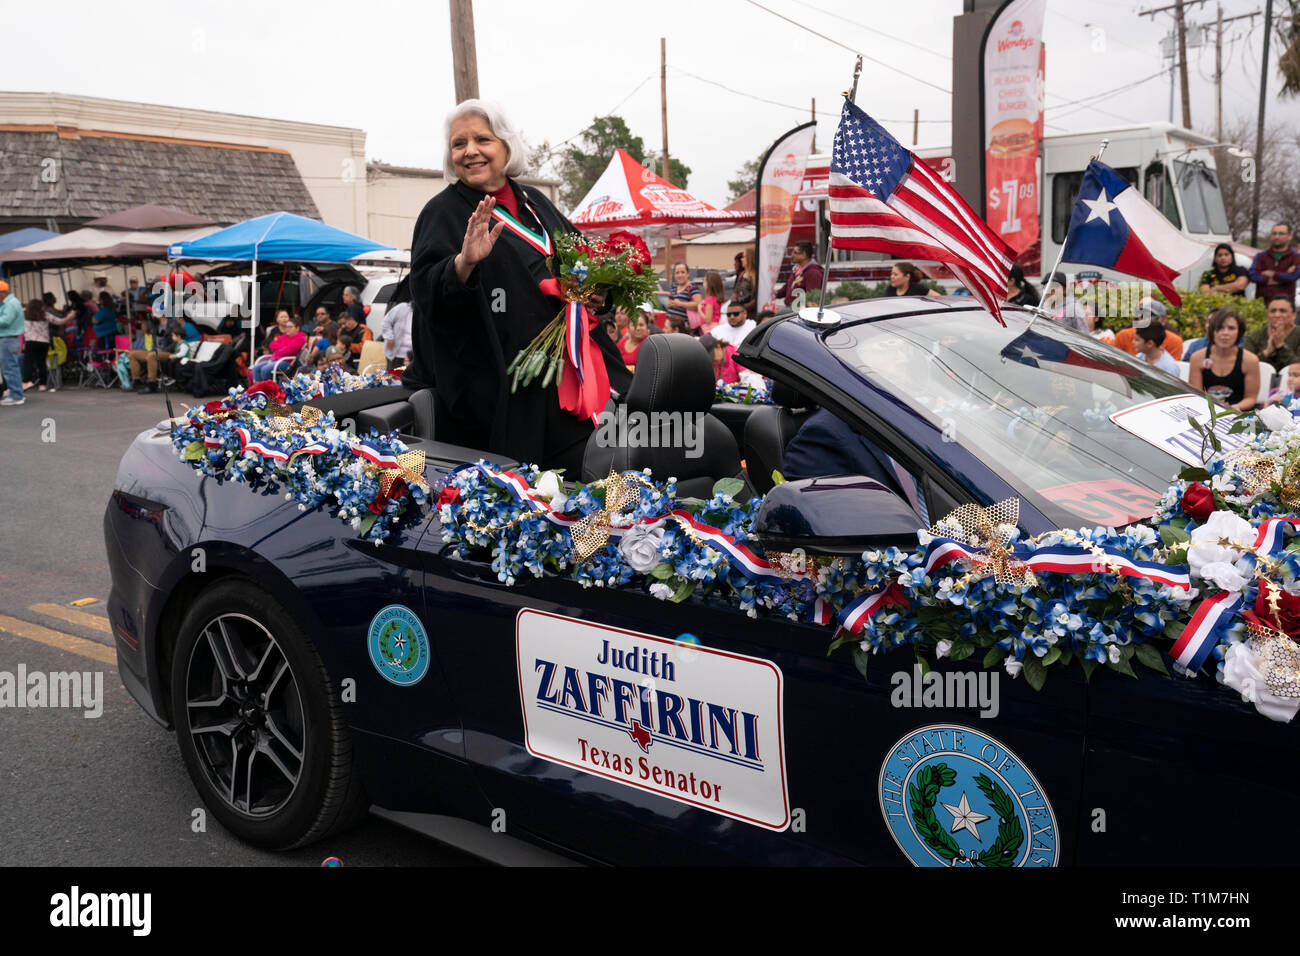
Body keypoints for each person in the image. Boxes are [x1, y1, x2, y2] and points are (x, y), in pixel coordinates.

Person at [401, 99, 632, 469]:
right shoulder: (443, 212)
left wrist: (597, 291)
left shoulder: (536, 202)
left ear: (507, 146)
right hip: (502, 388)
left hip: (568, 371)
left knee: (629, 441)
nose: (470, 151)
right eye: (459, 144)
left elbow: (586, 264)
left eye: (482, 139)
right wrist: (462, 264)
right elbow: (427, 295)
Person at [1189, 309, 1259, 412]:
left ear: (1239, 332)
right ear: (1212, 331)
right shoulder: (1197, 358)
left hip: (1238, 414)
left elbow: (1251, 398)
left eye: (1231, 328)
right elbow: (1197, 396)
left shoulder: (1250, 360)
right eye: (1220, 328)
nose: (1225, 333)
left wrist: (1234, 408)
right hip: (1206, 411)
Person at [1113, 299, 1182, 361]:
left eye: (1151, 316)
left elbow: (1169, 372)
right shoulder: (1124, 335)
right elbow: (1113, 360)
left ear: (1163, 320)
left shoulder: (1174, 341)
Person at [1248, 223, 1300, 303]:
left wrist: (1273, 274)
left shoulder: (1296, 257)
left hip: (1286, 306)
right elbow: (1252, 276)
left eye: (1281, 234)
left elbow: (1293, 276)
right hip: (1262, 305)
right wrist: (1282, 277)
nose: (1276, 237)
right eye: (1274, 233)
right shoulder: (1260, 256)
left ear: (1290, 236)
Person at [1244, 296, 1300, 370]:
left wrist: (1281, 346)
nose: (1277, 315)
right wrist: (1267, 352)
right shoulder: (1255, 336)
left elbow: (1297, 367)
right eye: (1273, 311)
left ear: (1294, 315)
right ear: (1267, 314)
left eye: (1282, 311)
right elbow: (1245, 366)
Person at [250, 315, 306, 382]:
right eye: (286, 327)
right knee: (256, 368)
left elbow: (287, 351)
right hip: (276, 359)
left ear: (297, 328)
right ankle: (259, 389)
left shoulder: (300, 338)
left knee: (265, 370)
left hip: (287, 362)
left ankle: (269, 389)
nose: (287, 329)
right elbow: (272, 345)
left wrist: (280, 348)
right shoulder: (285, 336)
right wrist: (284, 347)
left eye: (290, 327)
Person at [0, 281, 25, 406]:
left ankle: (16, 395)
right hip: (10, 339)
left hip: (7, 338)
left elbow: (5, 321)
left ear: (2, 293)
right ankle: (16, 393)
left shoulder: (9, 304)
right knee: (11, 367)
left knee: (10, 368)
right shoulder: (11, 302)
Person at [22, 299, 51, 392]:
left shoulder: (25, 315)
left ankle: (27, 381)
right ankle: (43, 385)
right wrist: (69, 316)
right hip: (44, 342)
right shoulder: (45, 315)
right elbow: (59, 321)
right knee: (42, 363)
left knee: (28, 362)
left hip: (31, 341)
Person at [784, 240, 824, 307]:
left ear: (804, 254)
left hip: (799, 313)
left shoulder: (813, 273)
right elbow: (787, 286)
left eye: (795, 253)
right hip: (791, 310)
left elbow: (812, 299)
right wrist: (775, 293)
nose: (792, 255)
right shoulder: (796, 269)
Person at [664, 263, 702, 331]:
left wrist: (680, 304)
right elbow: (674, 303)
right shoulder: (674, 287)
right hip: (669, 328)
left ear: (688, 274)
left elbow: (699, 305)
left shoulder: (692, 287)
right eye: (677, 273)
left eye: (682, 272)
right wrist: (670, 305)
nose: (680, 275)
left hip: (682, 329)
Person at [382, 299, 413, 368]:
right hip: (396, 353)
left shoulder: (424, 312)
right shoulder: (402, 308)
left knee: (408, 377)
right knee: (394, 375)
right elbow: (386, 322)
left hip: (412, 356)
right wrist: (390, 338)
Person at [730, 246, 757, 316]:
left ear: (750, 258)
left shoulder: (756, 276)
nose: (742, 259)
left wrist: (743, 308)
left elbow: (757, 299)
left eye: (744, 257)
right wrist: (734, 303)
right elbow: (735, 291)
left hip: (751, 315)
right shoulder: (742, 274)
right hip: (739, 313)